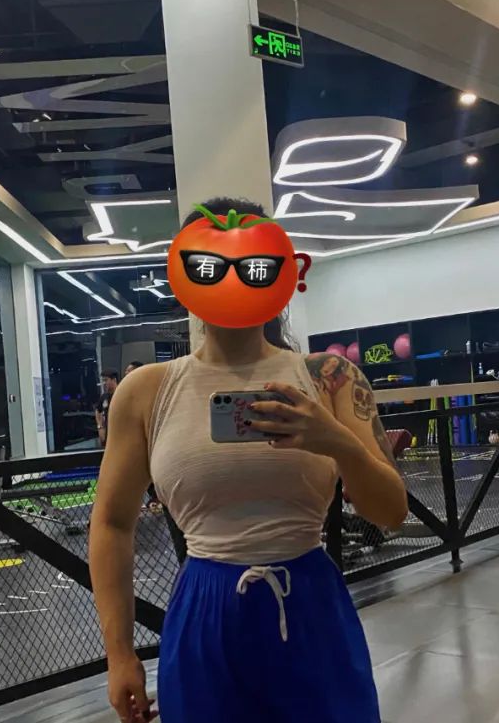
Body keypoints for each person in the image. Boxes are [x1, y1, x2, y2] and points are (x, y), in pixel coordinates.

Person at [89, 197, 409, 723]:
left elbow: (391, 511)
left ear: (281, 272)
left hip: (309, 603)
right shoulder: (146, 390)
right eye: (210, 266)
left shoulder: (330, 377)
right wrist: (119, 654)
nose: (233, 280)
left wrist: (335, 440)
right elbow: (111, 522)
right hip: (205, 608)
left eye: (252, 266)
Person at [95, 370, 119, 447]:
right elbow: (98, 411)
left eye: (106, 380)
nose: (104, 383)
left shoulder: (122, 394)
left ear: (114, 380)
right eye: (103, 381)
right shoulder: (104, 396)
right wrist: (100, 427)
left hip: (120, 433)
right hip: (108, 434)